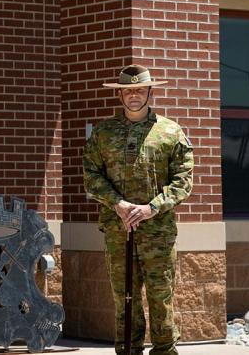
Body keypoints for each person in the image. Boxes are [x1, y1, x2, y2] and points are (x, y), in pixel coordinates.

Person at [82, 64, 194, 355]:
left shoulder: (170, 132)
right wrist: (118, 205)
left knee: (161, 296)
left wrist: (151, 208)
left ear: (149, 92)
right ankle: (128, 350)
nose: (134, 95)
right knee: (124, 297)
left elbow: (183, 181)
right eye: (128, 90)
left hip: (158, 232)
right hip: (119, 230)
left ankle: (164, 351)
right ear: (120, 95)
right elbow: (91, 175)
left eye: (140, 89)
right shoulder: (104, 133)